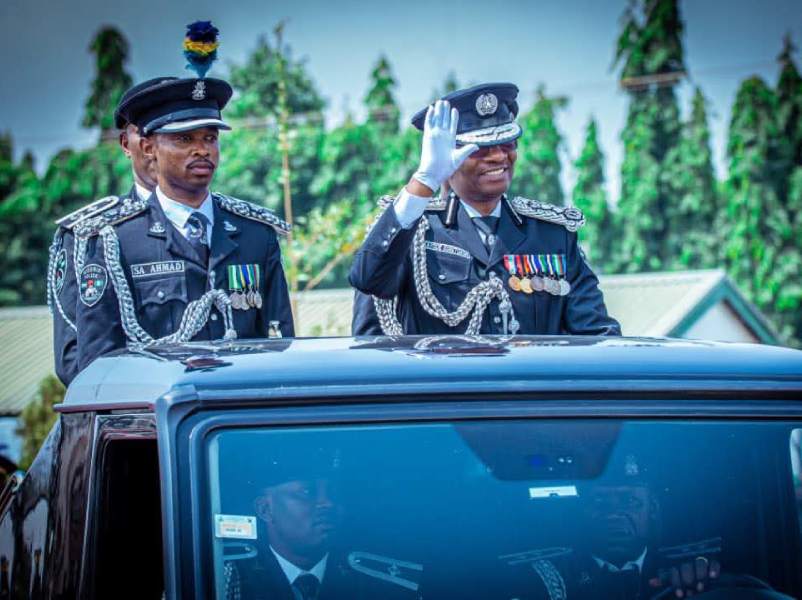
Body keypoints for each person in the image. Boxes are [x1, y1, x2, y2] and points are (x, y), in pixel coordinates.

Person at [349, 83, 620, 337]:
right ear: (445, 157)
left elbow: (596, 334)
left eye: (507, 143)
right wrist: (425, 180)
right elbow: (368, 280)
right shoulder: (412, 231)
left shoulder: (552, 235)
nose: (499, 156)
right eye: (480, 148)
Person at [73, 75, 294, 373]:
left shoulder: (255, 234)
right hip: (158, 400)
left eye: (210, 138)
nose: (202, 150)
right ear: (148, 148)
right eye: (184, 139)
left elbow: (281, 345)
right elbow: (97, 363)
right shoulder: (115, 242)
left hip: (241, 397)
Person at [49, 76, 177, 386]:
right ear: (126, 144)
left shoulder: (223, 225)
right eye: (148, 136)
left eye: (177, 137)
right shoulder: (88, 235)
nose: (157, 150)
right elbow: (73, 358)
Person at [227, 448, 421, 600]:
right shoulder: (229, 579)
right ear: (265, 509)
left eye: (334, 493)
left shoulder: (380, 582)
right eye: (306, 492)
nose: (327, 503)